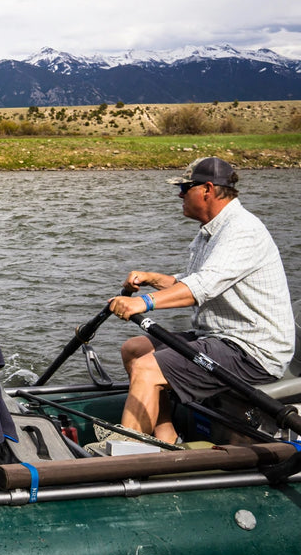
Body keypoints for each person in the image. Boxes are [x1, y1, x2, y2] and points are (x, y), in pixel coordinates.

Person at [108, 156, 294, 444]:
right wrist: (153, 278)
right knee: (134, 350)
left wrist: (143, 303)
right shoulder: (209, 233)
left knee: (148, 367)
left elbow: (201, 287)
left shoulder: (242, 230)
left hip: (252, 349)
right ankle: (166, 438)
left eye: (185, 187)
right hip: (219, 336)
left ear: (207, 189)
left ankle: (127, 458)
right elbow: (194, 281)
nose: (179, 194)